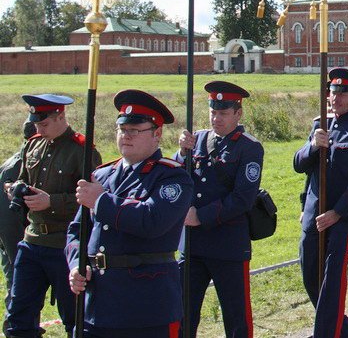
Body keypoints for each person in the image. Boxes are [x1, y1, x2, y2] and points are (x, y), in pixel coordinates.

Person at [67, 89, 191, 337]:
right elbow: (77, 231)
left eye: (135, 130)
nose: (126, 136)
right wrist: (76, 264)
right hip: (97, 304)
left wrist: (101, 201)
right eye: (122, 129)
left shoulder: (172, 177)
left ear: (157, 134)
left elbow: (151, 221)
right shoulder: (101, 176)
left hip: (144, 306)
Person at [5, 94, 99, 338]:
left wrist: (51, 202)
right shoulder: (33, 144)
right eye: (36, 124)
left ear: (60, 116)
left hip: (65, 246)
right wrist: (15, 189)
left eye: (44, 124)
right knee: (18, 318)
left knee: (75, 319)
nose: (39, 130)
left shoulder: (82, 150)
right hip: (31, 242)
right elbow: (24, 179)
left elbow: (94, 200)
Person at [176, 81, 264, 338]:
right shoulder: (198, 139)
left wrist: (200, 216)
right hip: (193, 244)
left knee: (236, 318)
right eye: (213, 112)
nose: (216, 118)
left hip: (227, 244)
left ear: (238, 113)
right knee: (183, 314)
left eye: (223, 113)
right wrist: (182, 153)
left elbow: (242, 198)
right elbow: (176, 178)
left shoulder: (249, 147)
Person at [294, 69, 348, 338]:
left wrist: (337, 212)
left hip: (343, 216)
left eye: (343, 93)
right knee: (310, 275)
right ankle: (343, 328)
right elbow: (299, 165)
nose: (336, 98)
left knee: (332, 281)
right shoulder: (320, 125)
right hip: (313, 214)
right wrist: (312, 146)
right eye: (332, 92)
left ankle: (326, 333)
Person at [0, 120, 35, 311]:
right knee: (20, 287)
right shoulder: (23, 163)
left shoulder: (10, 163)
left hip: (9, 237)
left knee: (14, 285)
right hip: (18, 236)